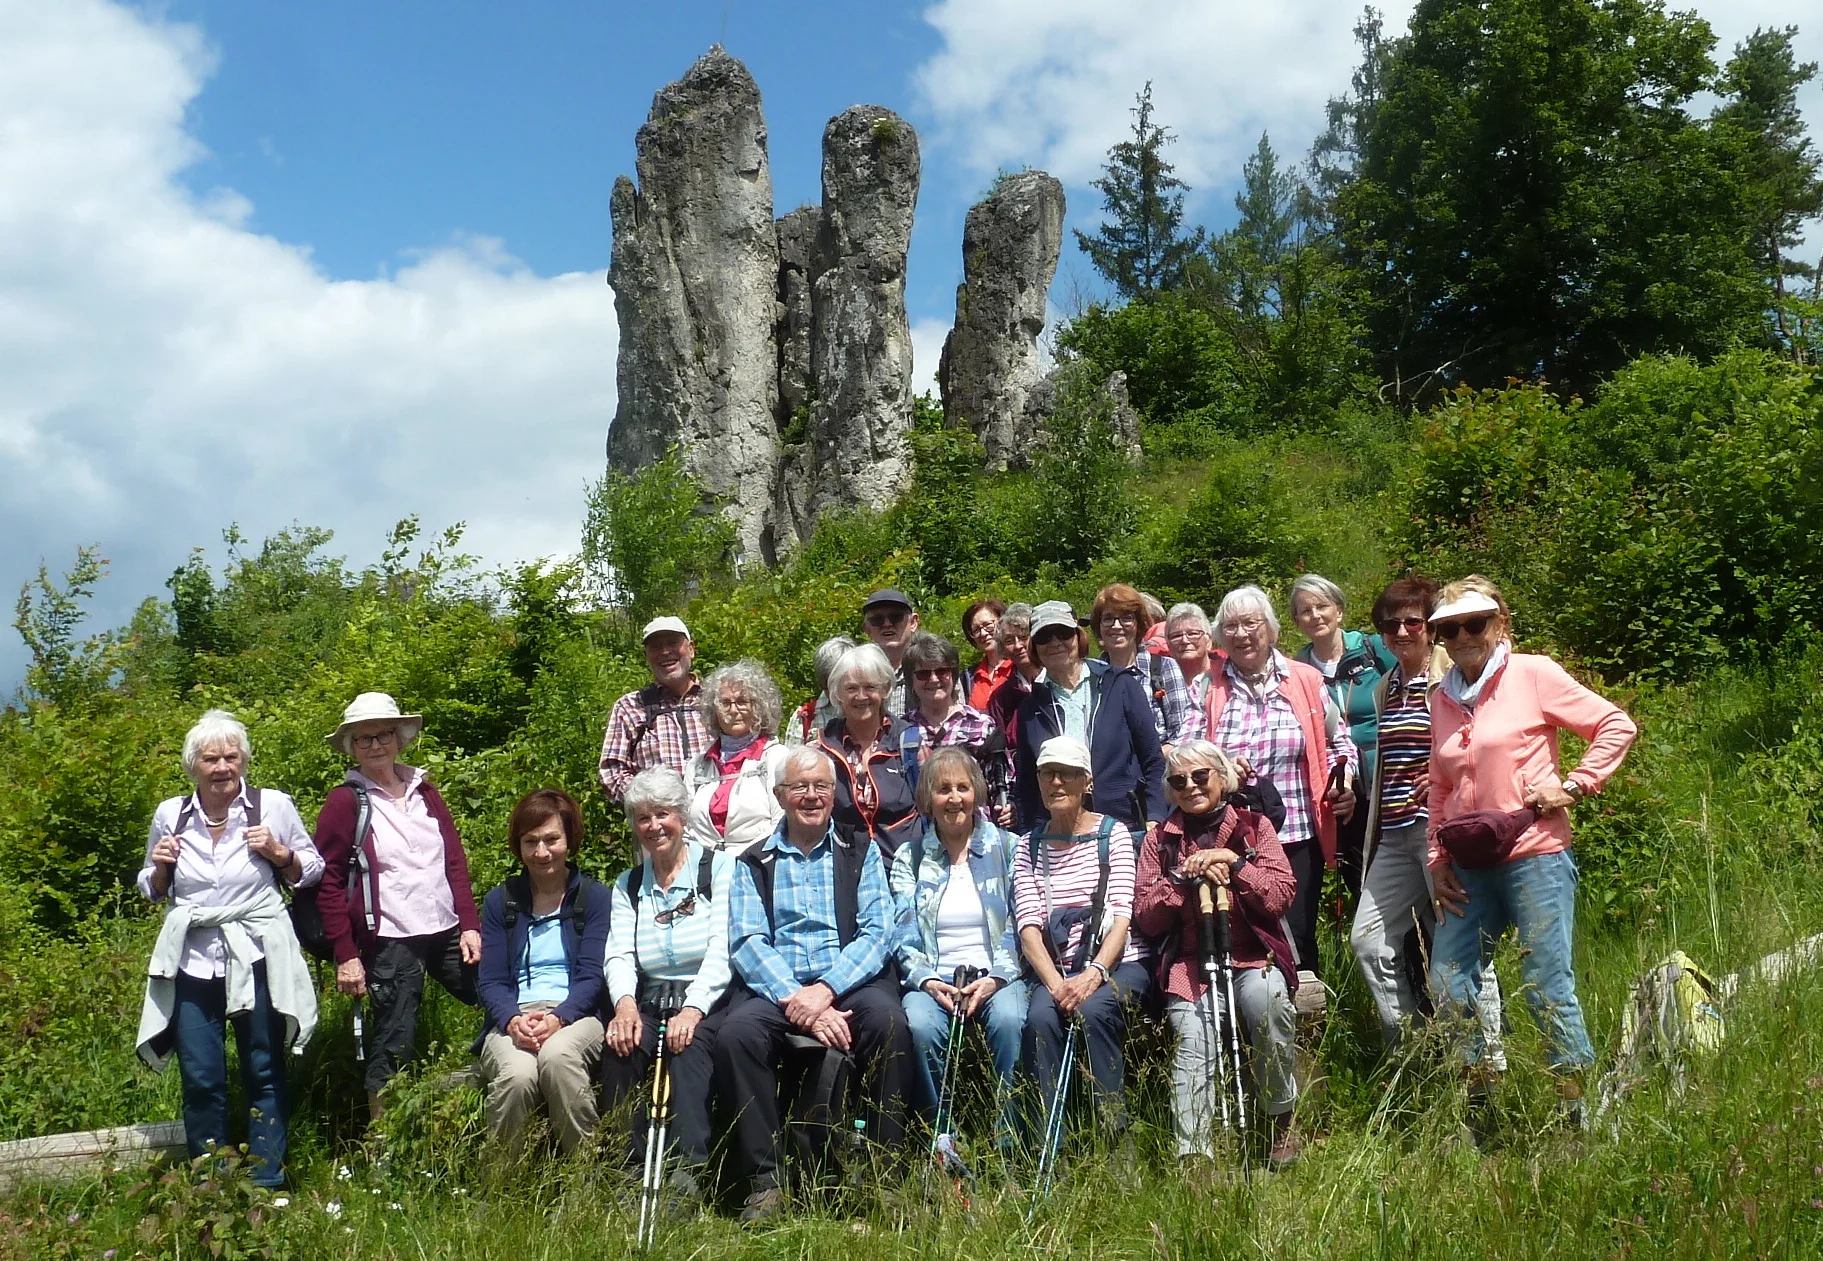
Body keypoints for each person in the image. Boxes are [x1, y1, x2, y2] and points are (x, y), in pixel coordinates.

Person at [1426, 577, 1637, 1118]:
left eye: (1476, 622)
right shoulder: (1442, 698)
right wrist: (1436, 858)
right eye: (1451, 627)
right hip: (1468, 864)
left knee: (1545, 983)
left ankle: (1573, 1115)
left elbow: (1614, 724)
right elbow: (1441, 785)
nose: (1464, 635)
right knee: (1450, 983)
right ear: (1441, 637)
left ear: (1499, 623)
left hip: (1536, 851)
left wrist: (1575, 784)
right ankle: (1481, 1109)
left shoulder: (1532, 673)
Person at [714, 747, 909, 1225]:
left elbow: (877, 932)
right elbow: (747, 941)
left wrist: (824, 991)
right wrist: (797, 999)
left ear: (834, 792)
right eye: (799, 786)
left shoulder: (858, 849)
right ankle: (766, 1183)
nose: (811, 795)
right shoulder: (753, 860)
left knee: (890, 1023)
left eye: (821, 785)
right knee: (736, 1035)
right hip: (778, 989)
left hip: (848, 980)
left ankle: (885, 1175)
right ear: (780, 796)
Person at [134, 710, 321, 1190]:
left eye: (231, 756)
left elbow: (313, 868)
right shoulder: (169, 815)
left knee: (263, 1065)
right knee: (201, 1074)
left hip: (256, 956)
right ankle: (209, 1184)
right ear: (192, 765)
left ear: (244, 761)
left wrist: (280, 854)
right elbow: (152, 888)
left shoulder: (272, 806)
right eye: (210, 758)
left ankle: (267, 1180)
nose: (222, 767)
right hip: (193, 962)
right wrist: (158, 870)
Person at [1347, 578, 1505, 1054]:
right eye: (1389, 623)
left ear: (1431, 627)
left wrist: (1442, 776)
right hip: (1393, 835)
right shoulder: (1384, 688)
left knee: (1458, 944)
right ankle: (1414, 1046)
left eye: (1412, 621)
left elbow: (1480, 731)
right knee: (1369, 941)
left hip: (1440, 831)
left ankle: (1485, 1058)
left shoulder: (1448, 675)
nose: (1401, 630)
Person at [314, 692, 482, 1118]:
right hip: (390, 937)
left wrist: (470, 924)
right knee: (395, 1038)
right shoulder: (345, 801)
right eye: (363, 738)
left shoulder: (424, 789)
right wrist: (346, 956)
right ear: (351, 746)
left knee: (495, 993)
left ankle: (489, 1092)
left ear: (399, 738)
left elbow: (453, 860)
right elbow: (329, 882)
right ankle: (383, 1147)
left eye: (383, 734)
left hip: (445, 927)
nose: (375, 745)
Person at [1134, 742, 1302, 1165]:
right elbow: (1145, 916)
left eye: (1200, 776)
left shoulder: (1255, 826)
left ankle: (1281, 1119)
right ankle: (1194, 1155)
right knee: (1192, 1036)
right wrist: (1180, 881)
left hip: (1253, 954)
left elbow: (1281, 895)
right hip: (1190, 963)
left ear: (1221, 776)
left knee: (1267, 1002)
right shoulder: (1159, 840)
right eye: (1178, 781)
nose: (1190, 786)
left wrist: (1236, 865)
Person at [1203, 586, 1356, 983]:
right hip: (1231, 838)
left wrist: (1348, 782)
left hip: (1298, 832)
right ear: (1221, 636)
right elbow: (1185, 753)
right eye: (1231, 626)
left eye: (1251, 623)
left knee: (1298, 935)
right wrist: (1220, 767)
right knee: (1245, 938)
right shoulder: (1208, 686)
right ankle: (1254, 1033)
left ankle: (1307, 1031)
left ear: (1269, 630)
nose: (1241, 634)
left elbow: (1341, 742)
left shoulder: (1305, 679)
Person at [602, 769, 735, 1213]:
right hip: (650, 997)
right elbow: (619, 953)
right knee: (622, 1047)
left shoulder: (717, 868)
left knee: (688, 1051)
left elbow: (723, 948)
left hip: (708, 999)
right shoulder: (629, 884)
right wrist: (623, 1006)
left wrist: (693, 1010)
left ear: (681, 816)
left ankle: (685, 1176)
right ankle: (626, 1170)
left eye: (663, 814)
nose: (655, 826)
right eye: (643, 818)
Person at [888, 747, 1026, 1148]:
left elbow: (1021, 924)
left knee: (1009, 1020)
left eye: (963, 788)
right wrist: (928, 981)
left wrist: (996, 979)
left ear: (977, 793)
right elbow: (902, 932)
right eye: (943, 789)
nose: (954, 798)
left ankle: (1008, 1142)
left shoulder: (1009, 848)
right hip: (935, 978)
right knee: (918, 1024)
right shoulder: (909, 857)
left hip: (996, 975)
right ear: (927, 798)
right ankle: (941, 1140)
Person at [1016, 737, 1149, 1135]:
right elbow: (1028, 930)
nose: (1056, 783)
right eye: (1047, 774)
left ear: (1086, 781)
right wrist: (1059, 987)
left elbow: (1122, 918)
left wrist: (1091, 977)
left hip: (1117, 963)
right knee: (1040, 1016)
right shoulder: (1028, 846)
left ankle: (1114, 1136)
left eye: (1067, 774)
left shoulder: (1114, 834)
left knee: (1094, 1011)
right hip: (1056, 970)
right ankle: (1044, 1140)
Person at [475, 790, 611, 1155]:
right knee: (517, 1077)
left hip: (578, 1013)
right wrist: (511, 1019)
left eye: (552, 840)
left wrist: (559, 1018)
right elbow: (490, 980)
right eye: (530, 841)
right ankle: (502, 1183)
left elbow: (592, 976)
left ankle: (586, 1178)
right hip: (515, 1015)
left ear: (570, 840)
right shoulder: (500, 901)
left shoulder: (594, 898)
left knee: (558, 1057)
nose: (542, 852)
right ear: (518, 846)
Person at [1013, 600, 1166, 836]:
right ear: (1034, 647)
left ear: (1078, 637)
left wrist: (1155, 816)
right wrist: (1028, 835)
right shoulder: (1030, 708)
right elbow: (1026, 784)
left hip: (1124, 826)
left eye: (1063, 633)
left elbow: (1153, 759)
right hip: (1058, 833)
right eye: (1044, 637)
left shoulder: (1120, 685)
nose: (1055, 643)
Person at [1290, 574, 1396, 896]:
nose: (1315, 616)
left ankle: (1422, 944)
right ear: (1296, 620)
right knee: (1358, 874)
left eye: (1322, 606)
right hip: (1339, 783)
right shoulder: (1297, 667)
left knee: (1399, 865)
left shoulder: (1373, 648)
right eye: (1305, 611)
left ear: (1340, 611)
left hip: (1386, 773)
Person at [816, 643, 922, 859]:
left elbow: (930, 808)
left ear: (885, 690)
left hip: (903, 868)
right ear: (838, 694)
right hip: (845, 869)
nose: (861, 696)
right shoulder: (823, 746)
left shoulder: (910, 742)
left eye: (870, 687)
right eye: (851, 688)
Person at [598, 616, 711, 806]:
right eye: (656, 647)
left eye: (673, 643)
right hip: (658, 827)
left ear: (691, 649)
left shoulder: (718, 699)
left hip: (718, 824)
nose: (665, 652)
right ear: (646, 656)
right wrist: (651, 804)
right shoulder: (630, 707)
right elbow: (611, 772)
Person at [684, 659, 789, 856]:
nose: (733, 710)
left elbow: (782, 823)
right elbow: (687, 829)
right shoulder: (698, 765)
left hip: (759, 866)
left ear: (758, 707)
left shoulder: (776, 757)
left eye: (742, 702)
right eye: (725, 703)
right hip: (704, 872)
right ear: (714, 711)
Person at [902, 631, 1009, 821]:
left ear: (953, 675)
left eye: (942, 671)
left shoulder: (981, 724)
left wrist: (1008, 807)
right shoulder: (901, 731)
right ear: (911, 682)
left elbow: (1002, 783)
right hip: (919, 835)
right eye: (923, 674)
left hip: (975, 833)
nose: (934, 679)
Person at [1093, 583, 1202, 750]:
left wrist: (1160, 755)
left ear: (1139, 625)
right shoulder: (1092, 676)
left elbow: (1182, 731)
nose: (1116, 625)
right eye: (1108, 618)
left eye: (1126, 617)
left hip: (1157, 770)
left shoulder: (1163, 668)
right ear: (1098, 626)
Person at [985, 602, 1042, 809]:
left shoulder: (1057, 682)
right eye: (1009, 640)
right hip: (1023, 793)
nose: (1017, 646)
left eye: (1024, 637)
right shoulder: (1000, 699)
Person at [786, 635, 855, 745]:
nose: (835, 694)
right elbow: (792, 760)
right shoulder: (805, 717)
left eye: (841, 686)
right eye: (828, 686)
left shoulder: (870, 712)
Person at [860, 588, 919, 715]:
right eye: (877, 619)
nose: (887, 624)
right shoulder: (855, 673)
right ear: (867, 629)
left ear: (913, 622)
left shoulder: (934, 669)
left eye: (896, 617)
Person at [1164, 602, 1218, 708]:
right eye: (1176, 636)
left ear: (1209, 641)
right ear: (1168, 645)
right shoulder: (1161, 681)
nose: (1184, 640)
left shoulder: (1225, 677)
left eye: (1193, 634)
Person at [962, 598, 1010, 709]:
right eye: (976, 630)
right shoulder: (968, 677)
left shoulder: (1020, 667)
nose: (983, 633)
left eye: (988, 625)